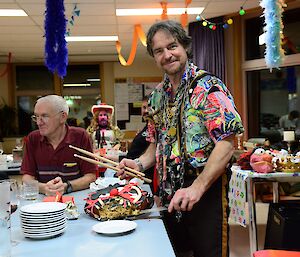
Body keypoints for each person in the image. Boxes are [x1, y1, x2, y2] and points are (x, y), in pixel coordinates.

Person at [117, 20, 244, 257]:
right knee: (175, 252)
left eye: (172, 46)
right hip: (169, 191)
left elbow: (226, 144)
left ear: (184, 46)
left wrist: (197, 187)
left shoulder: (208, 87)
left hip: (205, 188)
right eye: (159, 51)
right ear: (154, 57)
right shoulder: (156, 97)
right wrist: (138, 164)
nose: (167, 54)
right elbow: (155, 146)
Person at [21, 95, 97, 196]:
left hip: (74, 199)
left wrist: (67, 186)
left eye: (45, 116)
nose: (39, 122)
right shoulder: (33, 139)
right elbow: (26, 178)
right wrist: (44, 188)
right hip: (43, 202)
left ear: (63, 117)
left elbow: (91, 176)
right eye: (36, 117)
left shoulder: (80, 136)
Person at [119, 95, 155, 191]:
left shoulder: (154, 128)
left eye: (149, 107)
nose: (146, 111)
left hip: (144, 178)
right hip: (134, 171)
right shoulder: (146, 127)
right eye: (144, 107)